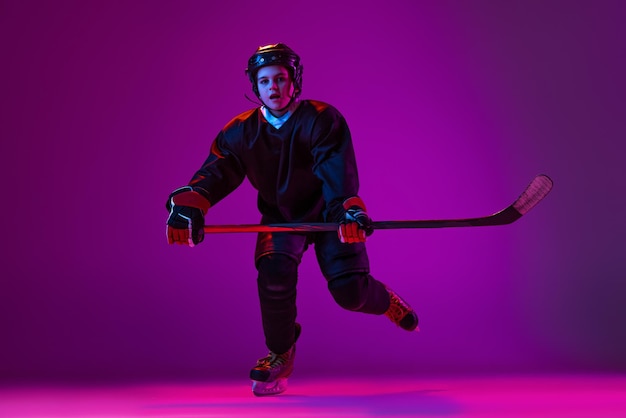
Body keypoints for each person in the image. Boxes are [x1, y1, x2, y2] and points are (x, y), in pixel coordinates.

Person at [166, 43, 418, 396]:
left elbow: (335, 174)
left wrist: (348, 211)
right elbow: (215, 174)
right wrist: (191, 204)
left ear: (294, 81)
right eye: (265, 80)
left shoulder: (321, 119)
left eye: (281, 79)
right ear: (255, 86)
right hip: (280, 218)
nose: (274, 88)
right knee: (273, 273)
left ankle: (383, 299)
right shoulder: (239, 132)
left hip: (330, 216)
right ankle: (280, 353)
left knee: (350, 294)